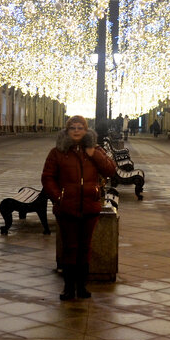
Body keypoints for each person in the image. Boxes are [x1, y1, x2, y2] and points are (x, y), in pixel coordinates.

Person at [41, 115, 117, 301]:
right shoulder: (57, 152)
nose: (76, 131)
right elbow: (47, 177)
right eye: (72, 128)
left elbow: (110, 170)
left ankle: (82, 286)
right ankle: (68, 287)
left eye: (80, 128)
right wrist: (59, 197)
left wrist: (94, 153)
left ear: (86, 130)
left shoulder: (94, 150)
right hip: (67, 207)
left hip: (89, 207)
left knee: (85, 248)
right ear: (67, 131)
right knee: (70, 247)